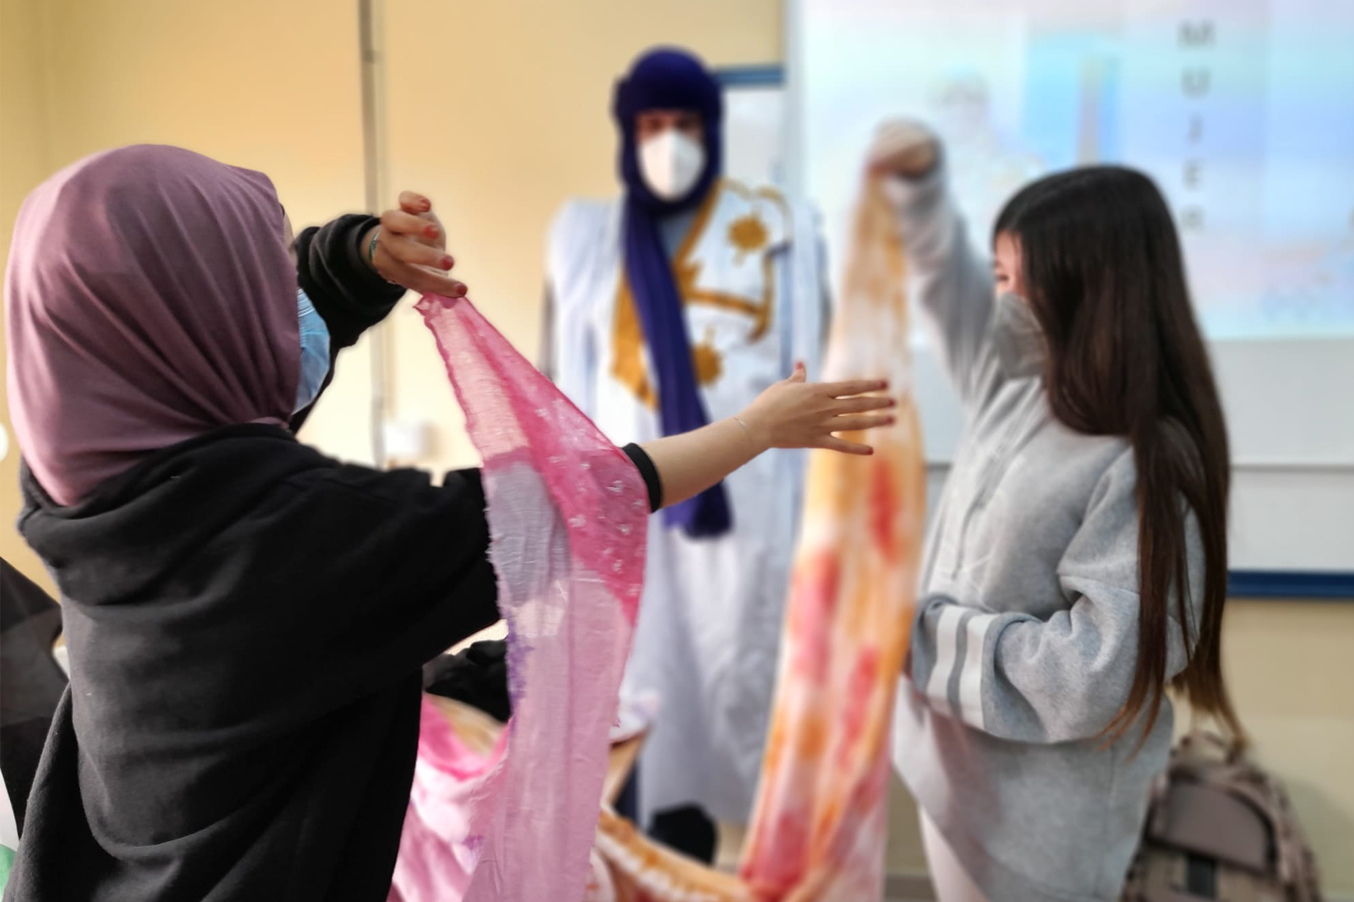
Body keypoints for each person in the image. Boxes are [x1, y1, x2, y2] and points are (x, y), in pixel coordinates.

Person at [1, 144, 892, 902]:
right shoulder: (296, 544)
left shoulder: (75, 485)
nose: (281, 301)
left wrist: (348, 264)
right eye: (263, 278)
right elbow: (556, 510)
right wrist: (753, 430)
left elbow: (235, 403)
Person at [868, 121, 1242, 902]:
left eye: (1012, 279)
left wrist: (916, 631)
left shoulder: (1148, 460)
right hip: (955, 786)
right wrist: (918, 189)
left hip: (1042, 835)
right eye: (997, 276)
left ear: (1083, 287)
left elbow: (1093, 673)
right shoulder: (1018, 387)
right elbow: (950, 289)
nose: (998, 299)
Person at [542, 47, 831, 859]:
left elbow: (811, 382)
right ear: (628, 133)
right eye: (652, 125)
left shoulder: (782, 235)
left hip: (741, 532)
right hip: (626, 519)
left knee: (722, 713)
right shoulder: (588, 240)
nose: (670, 142)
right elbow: (560, 390)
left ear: (714, 129)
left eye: (686, 125)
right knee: (629, 725)